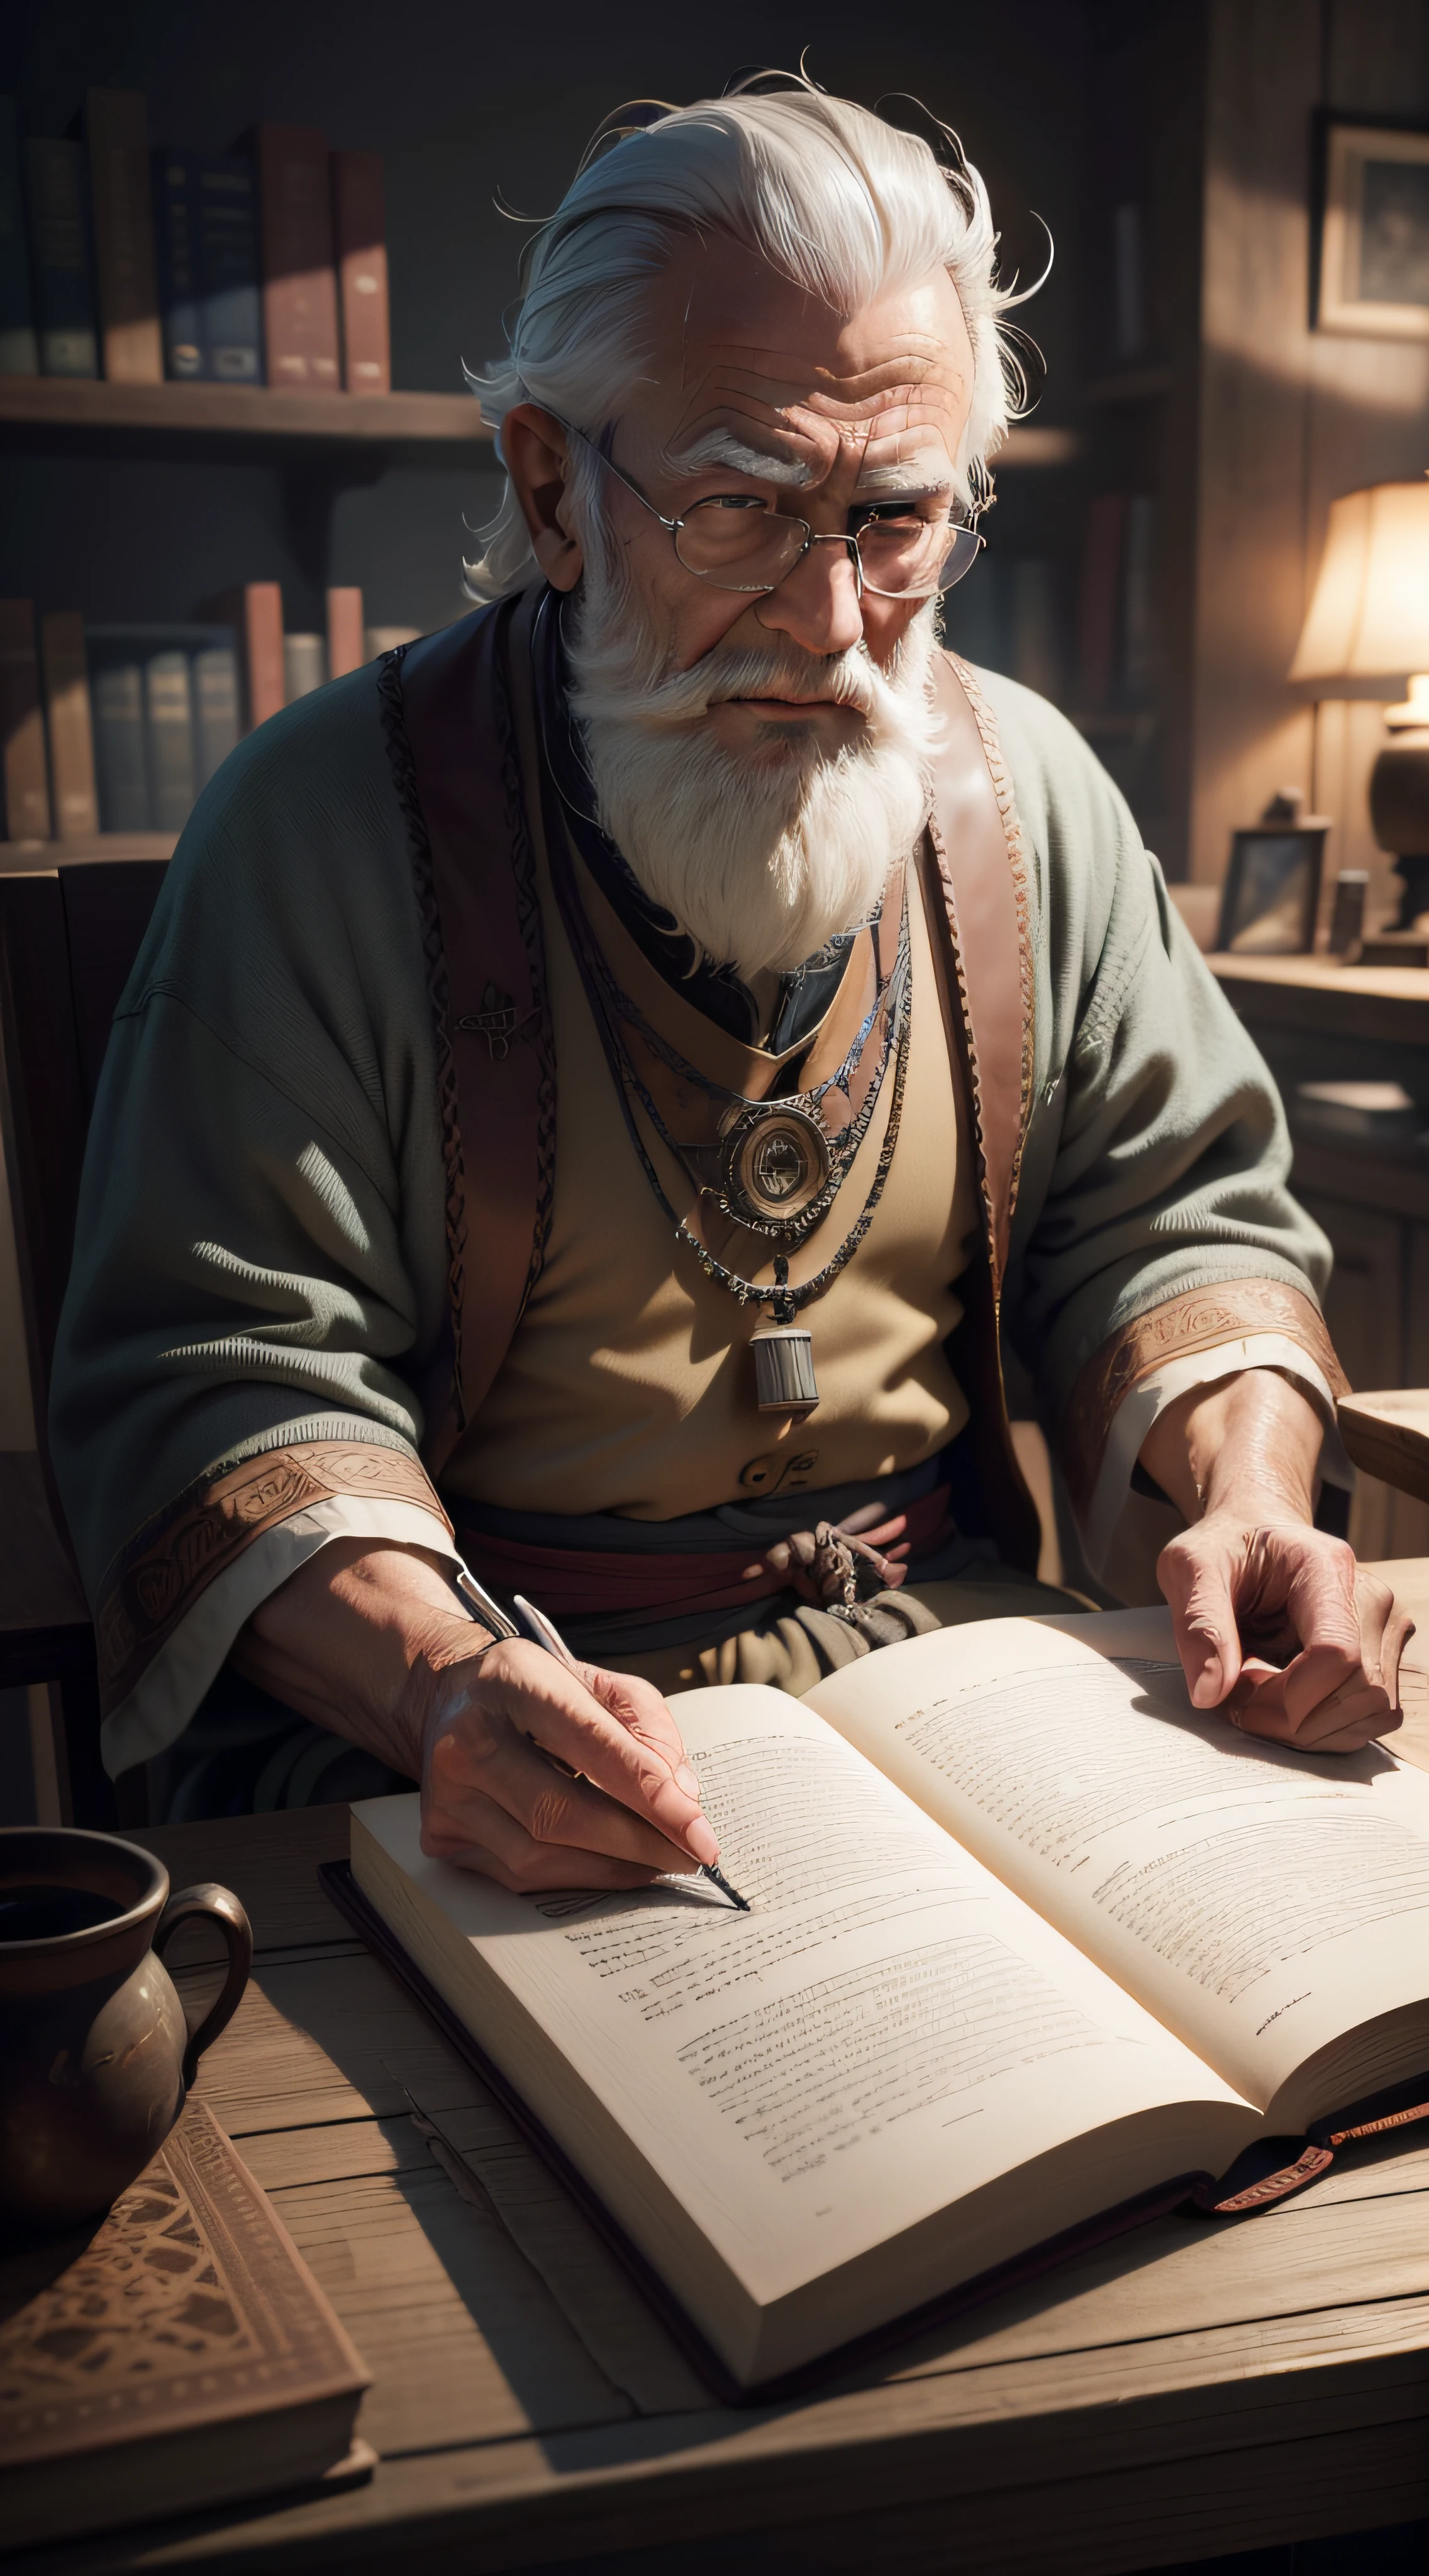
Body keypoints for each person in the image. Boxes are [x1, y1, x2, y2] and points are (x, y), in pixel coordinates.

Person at [51, 81, 1409, 1888]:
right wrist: (445, 1682)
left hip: (978, 1688)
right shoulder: (321, 829)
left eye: (897, 517)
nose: (829, 618)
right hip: (474, 1748)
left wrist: (1250, 1493)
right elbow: (212, 1387)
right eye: (742, 505)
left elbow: (1181, 1228)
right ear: (552, 486)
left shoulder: (1032, 805)